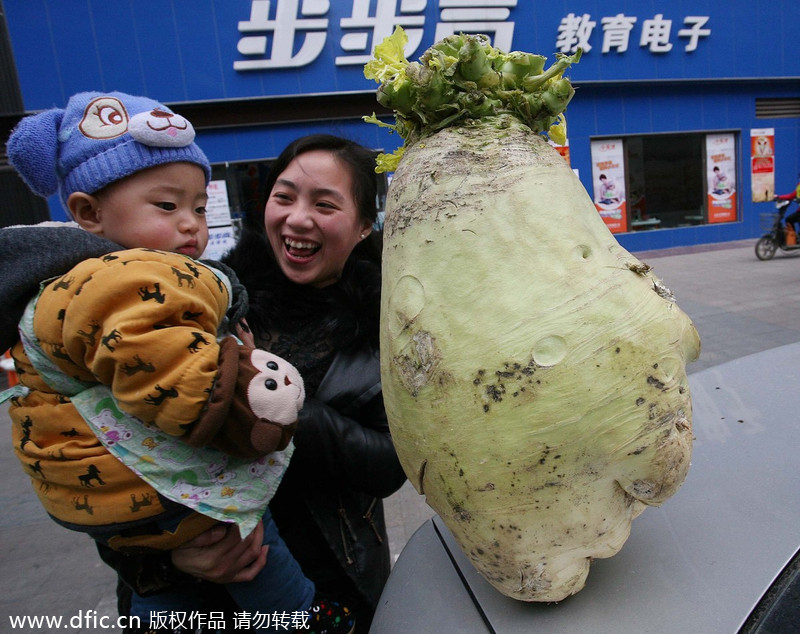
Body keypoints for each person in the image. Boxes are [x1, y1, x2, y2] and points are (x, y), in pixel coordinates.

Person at [0, 93, 354, 634]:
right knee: (255, 565)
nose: (191, 226)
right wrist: (160, 561)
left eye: (197, 206)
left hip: (301, 543)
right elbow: (179, 385)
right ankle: (301, 617)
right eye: (167, 207)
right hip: (157, 499)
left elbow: (380, 461)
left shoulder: (381, 314)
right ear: (88, 213)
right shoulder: (123, 283)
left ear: (365, 225)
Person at [115, 134, 408, 633]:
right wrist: (168, 557)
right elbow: (109, 444)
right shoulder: (196, 299)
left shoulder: (390, 326)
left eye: (324, 204)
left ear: (363, 226)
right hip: (196, 586)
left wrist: (281, 410)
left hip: (330, 584)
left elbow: (389, 466)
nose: (297, 219)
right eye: (284, 196)